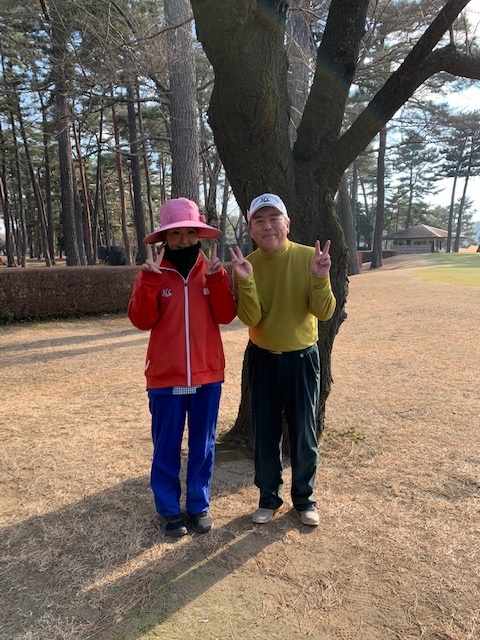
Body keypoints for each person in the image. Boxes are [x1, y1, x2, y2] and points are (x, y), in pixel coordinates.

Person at [128, 197, 236, 538]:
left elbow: (225, 315)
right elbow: (141, 320)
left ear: (199, 234)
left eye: (190, 232)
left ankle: (199, 505)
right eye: (175, 234)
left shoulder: (212, 270)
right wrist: (149, 281)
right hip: (165, 376)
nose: (184, 240)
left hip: (207, 375)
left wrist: (218, 280)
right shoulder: (153, 274)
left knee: (203, 445)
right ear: (164, 237)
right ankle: (169, 510)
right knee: (166, 446)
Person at [229, 193, 336, 527]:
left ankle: (305, 499)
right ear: (251, 229)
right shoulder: (246, 264)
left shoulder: (309, 258)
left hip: (302, 359)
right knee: (265, 433)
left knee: (304, 433)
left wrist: (320, 277)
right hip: (262, 359)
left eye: (274, 218)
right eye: (259, 220)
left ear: (287, 224)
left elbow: (324, 311)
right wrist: (246, 282)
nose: (267, 226)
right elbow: (251, 317)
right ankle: (268, 498)